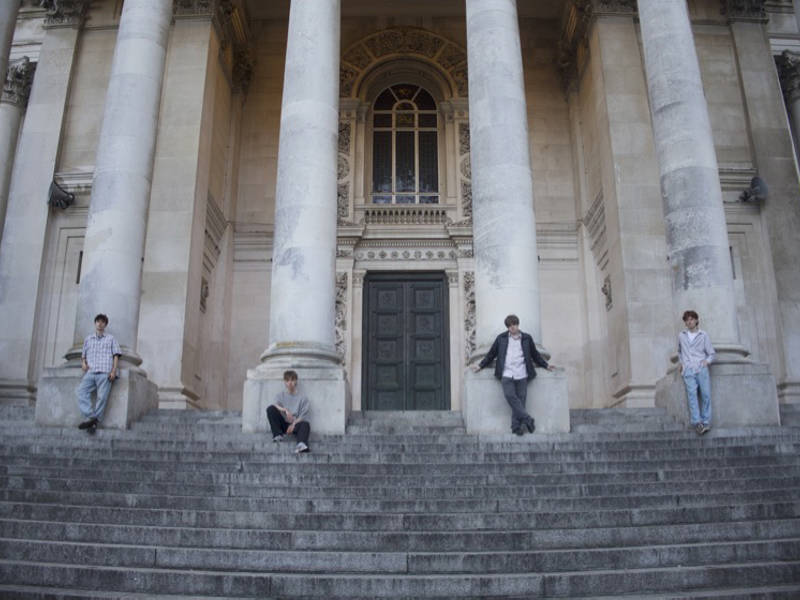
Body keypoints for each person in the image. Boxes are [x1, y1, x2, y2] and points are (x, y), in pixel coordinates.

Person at [471, 314, 556, 435]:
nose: (512, 328)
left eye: (514, 325)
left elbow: (535, 355)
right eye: (510, 326)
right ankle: (528, 419)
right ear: (507, 327)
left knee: (521, 401)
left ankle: (516, 427)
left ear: (518, 324)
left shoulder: (527, 338)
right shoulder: (501, 338)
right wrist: (480, 365)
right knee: (510, 396)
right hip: (507, 373)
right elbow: (491, 354)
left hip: (522, 373)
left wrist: (546, 365)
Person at [77, 313, 121, 435]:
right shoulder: (88, 339)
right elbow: (83, 355)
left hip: (105, 371)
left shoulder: (111, 339)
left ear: (105, 324)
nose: (100, 323)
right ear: (95, 323)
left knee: (102, 398)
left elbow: (116, 355)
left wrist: (113, 371)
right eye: (98, 321)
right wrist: (83, 363)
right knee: (81, 391)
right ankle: (92, 417)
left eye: (102, 322)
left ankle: (94, 423)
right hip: (91, 371)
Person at [677, 310, 715, 435]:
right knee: (692, 395)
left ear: (696, 320)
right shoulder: (681, 335)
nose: (689, 321)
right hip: (688, 369)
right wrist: (682, 363)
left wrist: (706, 362)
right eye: (687, 320)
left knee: (706, 395)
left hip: (701, 368)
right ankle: (697, 422)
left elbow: (711, 353)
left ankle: (706, 421)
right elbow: (679, 352)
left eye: (692, 319)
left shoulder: (703, 335)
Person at [267, 370, 311, 453]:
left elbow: (303, 416)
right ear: (285, 382)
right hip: (283, 424)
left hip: (296, 424)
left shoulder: (303, 398)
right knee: (270, 409)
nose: (290, 383)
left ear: (296, 381)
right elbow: (274, 405)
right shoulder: (280, 395)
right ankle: (277, 435)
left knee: (306, 424)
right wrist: (285, 410)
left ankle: (301, 445)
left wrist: (293, 424)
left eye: (292, 380)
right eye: (287, 380)